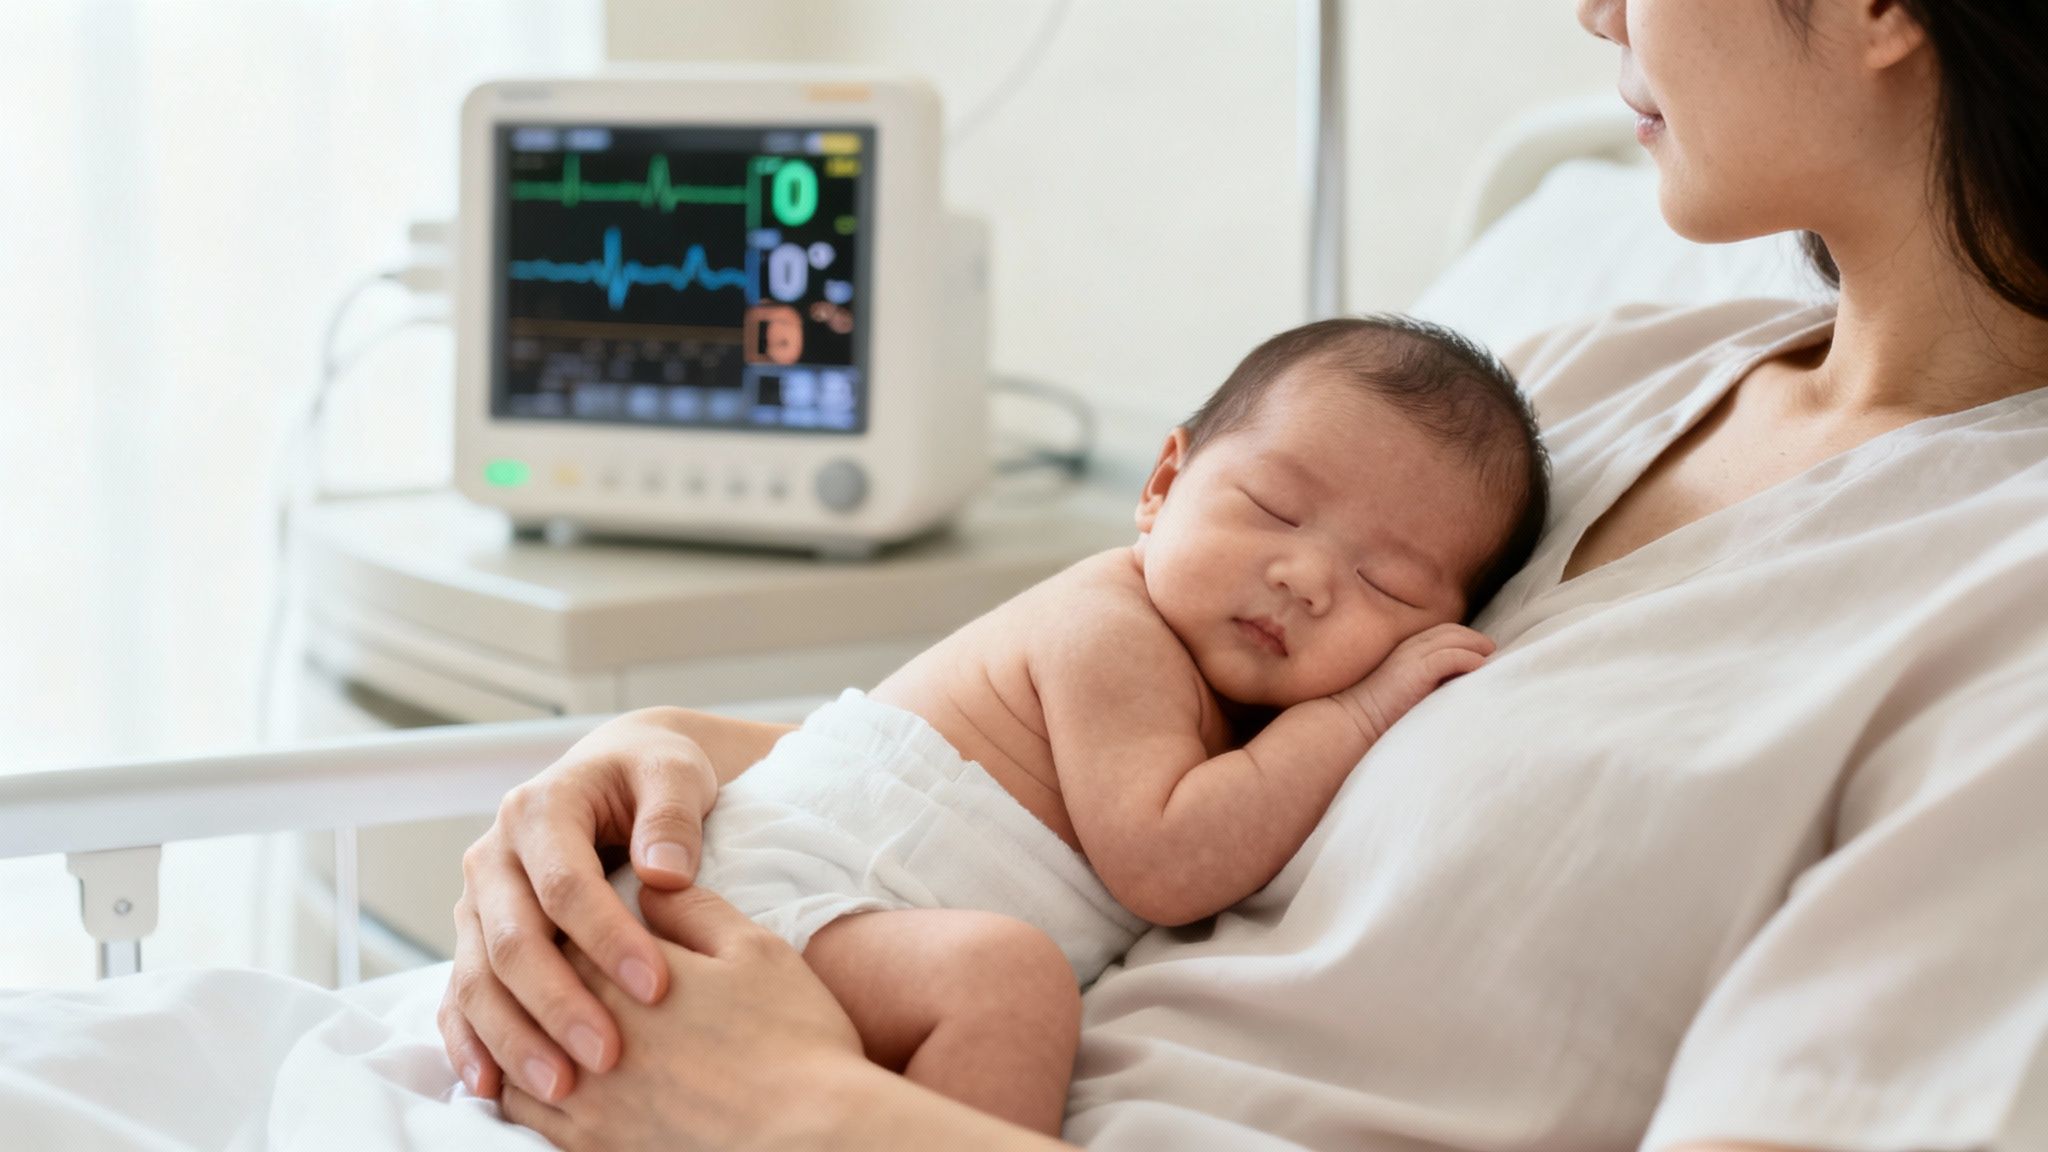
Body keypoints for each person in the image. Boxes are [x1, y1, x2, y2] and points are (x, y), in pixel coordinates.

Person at [442, 0, 2048, 1148]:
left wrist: (799, 1113)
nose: (1593, 10)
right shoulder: (1576, 386)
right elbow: (1080, 732)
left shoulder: (2006, 606)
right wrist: (662, 778)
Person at [587, 314, 1544, 1132]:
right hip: (764, 896)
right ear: (1162, 484)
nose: (1305, 578)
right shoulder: (1111, 629)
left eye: (1385, 583)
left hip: (823, 922)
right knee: (1007, 984)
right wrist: (1359, 710)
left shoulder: (1229, 691)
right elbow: (1169, 863)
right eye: (1273, 508)